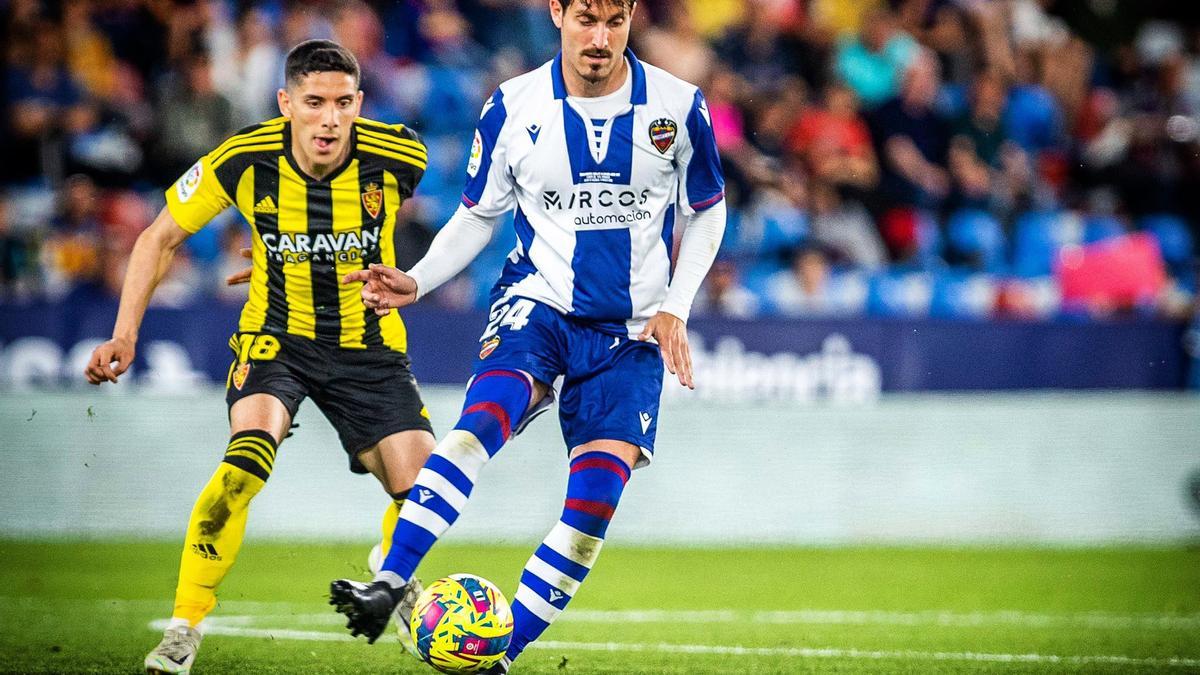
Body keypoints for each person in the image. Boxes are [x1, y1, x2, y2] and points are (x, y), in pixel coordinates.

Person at [327, 0, 726, 672]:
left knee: (594, 507)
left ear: (631, 19)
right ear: (557, 13)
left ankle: (498, 656)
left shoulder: (679, 105)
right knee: (479, 423)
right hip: (538, 304)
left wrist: (676, 306)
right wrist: (418, 281)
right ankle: (391, 578)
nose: (600, 38)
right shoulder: (514, 105)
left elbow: (707, 212)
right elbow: (478, 215)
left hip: (630, 333)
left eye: (615, 22)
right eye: (586, 20)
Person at [82, 40, 437, 674]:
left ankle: (392, 574)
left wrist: (306, 254)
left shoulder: (400, 154)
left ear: (359, 103)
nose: (330, 118)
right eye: (314, 102)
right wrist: (125, 334)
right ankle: (183, 627)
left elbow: (438, 230)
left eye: (343, 103)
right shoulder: (243, 158)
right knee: (244, 466)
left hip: (370, 345)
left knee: (421, 492)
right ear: (285, 103)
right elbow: (158, 237)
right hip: (277, 341)